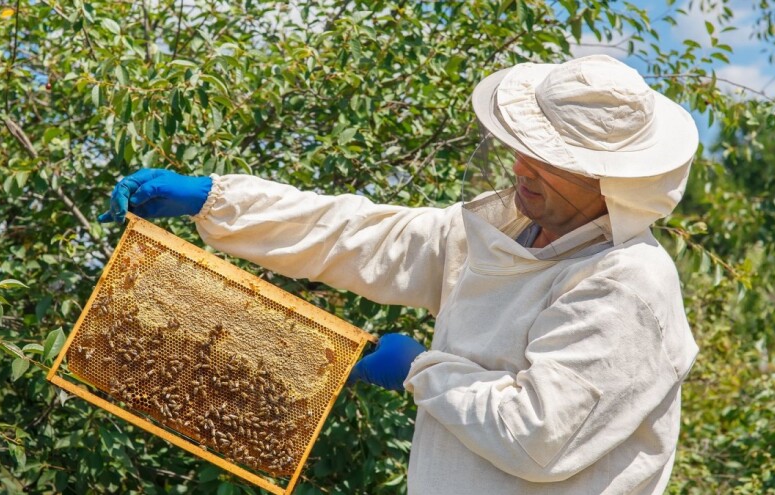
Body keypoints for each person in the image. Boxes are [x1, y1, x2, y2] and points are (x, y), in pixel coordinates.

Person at [99, 54, 699, 494]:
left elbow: (536, 436)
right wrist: (214, 200)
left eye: (547, 161)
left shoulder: (625, 283)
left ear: (608, 179)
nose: (521, 168)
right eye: (522, 147)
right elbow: (355, 234)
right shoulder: (506, 235)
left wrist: (420, 371)